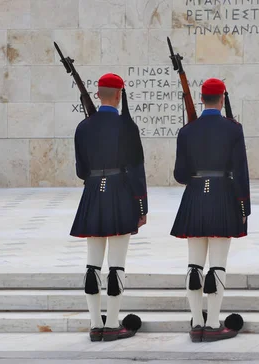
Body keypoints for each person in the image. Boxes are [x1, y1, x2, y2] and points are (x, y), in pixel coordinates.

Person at [171, 78, 250, 342]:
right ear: (222, 98)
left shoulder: (187, 131)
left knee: (194, 265)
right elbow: (240, 171)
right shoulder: (233, 129)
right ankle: (213, 323)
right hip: (223, 195)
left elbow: (180, 175)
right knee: (217, 265)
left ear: (201, 98)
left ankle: (196, 323)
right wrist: (243, 207)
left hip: (194, 195)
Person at [71, 73, 147, 342]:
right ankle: (113, 323)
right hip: (120, 192)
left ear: (97, 95)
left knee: (93, 264)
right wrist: (141, 207)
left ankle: (95, 324)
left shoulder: (83, 127)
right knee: (116, 264)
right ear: (119, 95)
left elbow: (81, 170)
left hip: (93, 192)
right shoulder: (127, 126)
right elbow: (137, 170)